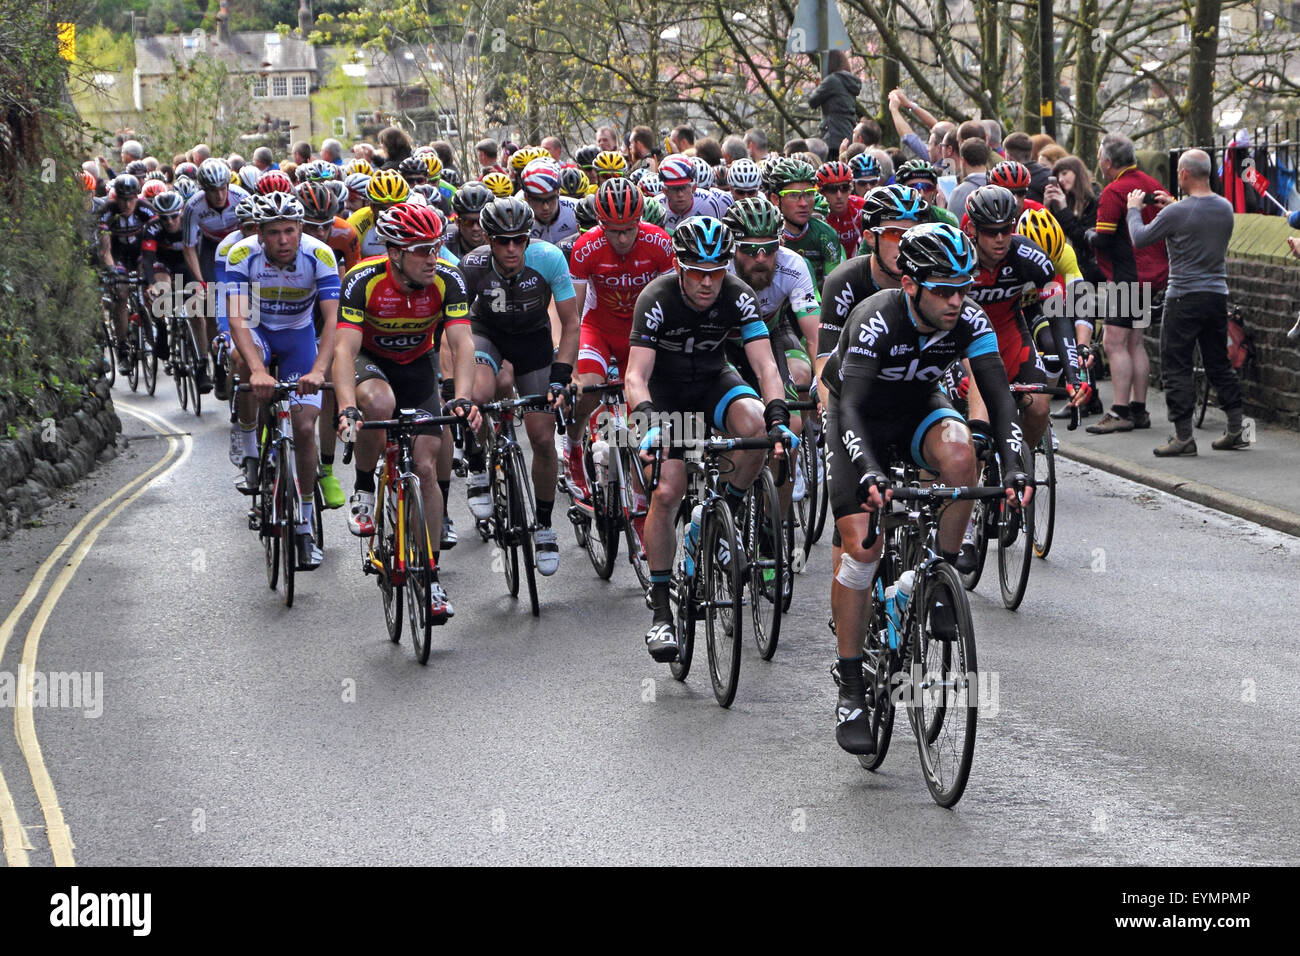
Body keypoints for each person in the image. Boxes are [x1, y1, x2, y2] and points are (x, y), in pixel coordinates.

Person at [821, 222, 1029, 754]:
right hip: (858, 420)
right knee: (862, 551)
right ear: (911, 284)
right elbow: (847, 407)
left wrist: (1014, 470)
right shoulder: (876, 319)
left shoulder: (968, 318)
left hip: (917, 410)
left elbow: (1000, 397)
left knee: (962, 454)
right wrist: (869, 471)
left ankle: (942, 569)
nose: (956, 301)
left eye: (964, 287)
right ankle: (850, 688)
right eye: (943, 290)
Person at [625, 217, 794, 663]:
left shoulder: (737, 293)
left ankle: (726, 516)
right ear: (679, 268)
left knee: (756, 426)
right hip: (667, 397)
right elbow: (635, 376)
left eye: (715, 271)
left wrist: (778, 414)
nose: (707, 282)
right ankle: (662, 610)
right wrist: (648, 422)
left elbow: (765, 367)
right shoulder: (656, 298)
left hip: (716, 382)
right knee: (667, 490)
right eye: (697, 272)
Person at [333, 202, 476, 622]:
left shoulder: (447, 279)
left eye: (435, 247)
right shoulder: (362, 280)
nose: (432, 258)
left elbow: (462, 344)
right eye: (420, 251)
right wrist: (346, 408)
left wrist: (463, 398)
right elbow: (344, 350)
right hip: (371, 363)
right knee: (377, 404)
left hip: (416, 364)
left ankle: (430, 578)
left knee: (427, 468)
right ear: (395, 252)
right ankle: (363, 488)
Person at [459, 197, 580, 575]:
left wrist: (562, 372)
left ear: (528, 239)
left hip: (533, 340)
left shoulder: (549, 259)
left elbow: (571, 322)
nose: (511, 249)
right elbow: (457, 328)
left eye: (519, 240)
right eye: (502, 241)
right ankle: (478, 466)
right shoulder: (472, 266)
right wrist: (455, 386)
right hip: (486, 334)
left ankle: (544, 526)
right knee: (477, 395)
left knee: (542, 438)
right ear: (490, 241)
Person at [225, 193, 339, 571]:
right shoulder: (242, 256)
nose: (283, 240)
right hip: (256, 332)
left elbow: (334, 323)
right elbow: (237, 320)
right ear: (259, 234)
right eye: (274, 233)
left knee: (305, 426)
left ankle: (304, 524)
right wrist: (257, 369)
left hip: (298, 338)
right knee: (240, 357)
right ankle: (247, 438)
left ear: (301, 229)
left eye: (290, 230)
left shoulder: (319, 256)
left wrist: (319, 372)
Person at [1125, 149, 1244, 456]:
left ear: (1184, 174)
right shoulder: (1225, 208)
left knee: (1176, 364)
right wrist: (1174, 208)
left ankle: (1183, 437)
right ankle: (1236, 428)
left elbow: (1139, 238)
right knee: (1218, 362)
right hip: (1217, 296)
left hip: (1183, 297)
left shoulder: (1177, 212)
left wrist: (1133, 209)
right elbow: (1196, 220)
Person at [562, 178, 675, 499]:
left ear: (641, 220)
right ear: (600, 224)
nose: (623, 237)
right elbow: (574, 313)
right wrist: (568, 367)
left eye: (629, 228)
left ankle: (639, 491)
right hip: (598, 330)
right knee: (588, 390)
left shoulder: (660, 243)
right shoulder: (586, 247)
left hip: (641, 334)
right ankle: (573, 448)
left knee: (642, 408)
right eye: (614, 230)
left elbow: (670, 303)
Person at [1086, 131, 1169, 435]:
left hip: (1127, 274)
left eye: (1099, 159)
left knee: (1114, 342)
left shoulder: (1114, 191)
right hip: (1154, 274)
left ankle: (1120, 410)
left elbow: (1105, 237)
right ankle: (1139, 408)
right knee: (1136, 342)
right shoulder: (1153, 185)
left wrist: (1088, 235)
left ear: (1107, 163)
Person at [807, 50, 861, 157]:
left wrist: (820, 86)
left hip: (833, 135)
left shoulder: (832, 80)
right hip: (848, 132)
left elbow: (812, 101)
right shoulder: (848, 82)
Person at [944, 139, 991, 221]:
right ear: (986, 159)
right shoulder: (999, 185)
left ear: (963, 161)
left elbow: (952, 226)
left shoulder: (958, 193)